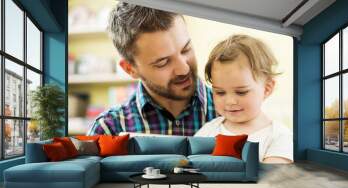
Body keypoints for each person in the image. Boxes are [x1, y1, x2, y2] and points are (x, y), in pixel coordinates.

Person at [88, 3, 216, 136]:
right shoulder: (108, 130)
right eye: (163, 62)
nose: (184, 69)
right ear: (130, 69)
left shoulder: (234, 112)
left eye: (186, 49)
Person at [195, 34, 293, 164]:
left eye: (241, 92)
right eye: (220, 92)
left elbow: (271, 180)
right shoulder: (208, 131)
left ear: (267, 88)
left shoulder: (279, 137)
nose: (230, 101)